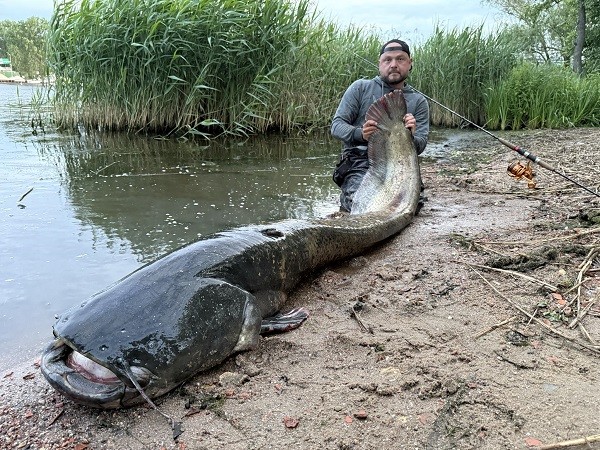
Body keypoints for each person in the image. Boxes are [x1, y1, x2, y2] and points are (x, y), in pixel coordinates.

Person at [331, 39, 430, 212]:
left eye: (400, 59)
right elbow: (337, 126)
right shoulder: (360, 88)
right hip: (359, 161)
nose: (393, 64)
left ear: (410, 63)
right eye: (387, 60)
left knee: (407, 208)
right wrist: (360, 134)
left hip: (399, 165)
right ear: (379, 64)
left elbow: (420, 145)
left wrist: (410, 137)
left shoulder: (419, 101)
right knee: (360, 205)